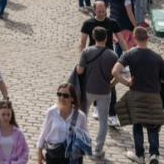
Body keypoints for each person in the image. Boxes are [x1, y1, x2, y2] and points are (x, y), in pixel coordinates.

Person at [112, 26, 164, 164]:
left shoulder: (129, 54)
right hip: (154, 96)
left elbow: (115, 72)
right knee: (153, 125)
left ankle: (140, 155)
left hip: (136, 94)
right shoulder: (157, 57)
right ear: (148, 38)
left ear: (134, 38)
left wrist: (127, 82)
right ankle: (154, 154)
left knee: (137, 124)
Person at [75, 26, 117, 158]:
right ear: (106, 38)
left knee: (82, 118)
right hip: (104, 91)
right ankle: (98, 150)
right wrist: (111, 84)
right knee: (103, 121)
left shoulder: (87, 52)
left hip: (88, 90)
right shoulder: (113, 55)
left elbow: (80, 71)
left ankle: (82, 145)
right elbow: (117, 74)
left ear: (93, 37)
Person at [36, 83, 88, 164]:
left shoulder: (80, 116)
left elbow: (86, 138)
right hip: (54, 155)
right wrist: (39, 152)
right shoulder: (51, 112)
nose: (61, 98)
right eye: (59, 94)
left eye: (65, 96)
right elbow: (44, 133)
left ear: (72, 98)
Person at [0, 100, 29, 164]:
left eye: (8, 115)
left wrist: (18, 162)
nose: (6, 117)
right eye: (3, 114)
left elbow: (25, 151)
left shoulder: (18, 132)